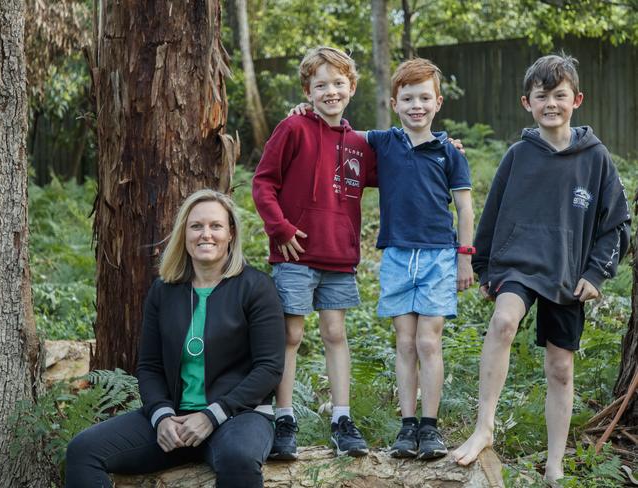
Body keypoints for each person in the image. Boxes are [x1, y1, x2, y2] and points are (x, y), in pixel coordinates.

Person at [452, 54, 631, 484]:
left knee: (561, 368)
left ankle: (555, 463)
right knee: (503, 322)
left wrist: (596, 274)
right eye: (541, 96)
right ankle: (484, 429)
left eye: (559, 95)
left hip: (569, 274)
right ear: (526, 103)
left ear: (577, 100)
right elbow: (492, 211)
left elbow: (618, 225)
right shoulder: (518, 155)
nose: (551, 103)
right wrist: (482, 265)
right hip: (519, 265)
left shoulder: (596, 158)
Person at [65, 189, 285, 488]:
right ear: (184, 234)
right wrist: (161, 416)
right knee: (84, 450)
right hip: (175, 421)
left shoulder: (256, 287)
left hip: (238, 417)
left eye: (215, 226)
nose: (205, 234)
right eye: (196, 226)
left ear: (231, 234)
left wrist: (211, 415)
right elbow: (150, 366)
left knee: (238, 458)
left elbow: (269, 369)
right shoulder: (164, 291)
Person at [252, 46, 378, 459]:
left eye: (339, 83)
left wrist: (444, 148)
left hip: (339, 256)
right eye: (321, 84)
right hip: (296, 254)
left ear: (352, 88)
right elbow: (263, 182)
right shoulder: (292, 129)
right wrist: (280, 227)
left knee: (335, 334)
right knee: (290, 335)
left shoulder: (359, 143)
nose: (330, 91)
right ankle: (283, 417)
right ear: (307, 90)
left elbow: (402, 163)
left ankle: (342, 418)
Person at [364, 58, 474, 460]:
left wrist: (465, 257)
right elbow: (334, 133)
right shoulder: (383, 142)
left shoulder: (449, 152)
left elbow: (465, 210)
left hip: (438, 258)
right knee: (405, 342)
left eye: (424, 97)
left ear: (438, 101)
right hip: (396, 256)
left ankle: (430, 428)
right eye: (407, 98)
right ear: (394, 102)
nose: (416, 105)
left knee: (429, 342)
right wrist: (305, 112)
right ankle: (406, 427)